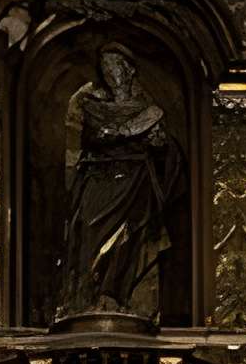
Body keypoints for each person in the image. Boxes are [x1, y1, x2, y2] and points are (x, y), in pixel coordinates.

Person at [53, 48, 180, 320]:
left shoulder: (149, 110)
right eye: (105, 67)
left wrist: (152, 140)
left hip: (134, 183)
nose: (111, 72)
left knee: (128, 236)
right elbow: (75, 144)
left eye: (116, 65)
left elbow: (162, 148)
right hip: (97, 179)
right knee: (85, 227)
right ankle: (83, 302)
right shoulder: (89, 104)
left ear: (130, 69)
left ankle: (117, 299)